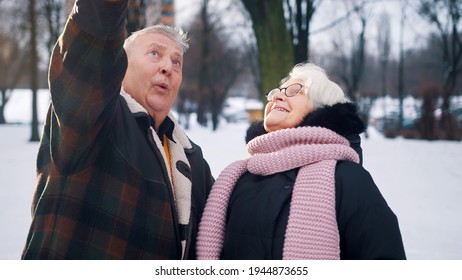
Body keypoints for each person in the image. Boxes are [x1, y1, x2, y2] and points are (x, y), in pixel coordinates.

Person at [22, 0, 214, 260]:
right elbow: (94, 41)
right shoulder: (95, 116)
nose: (168, 67)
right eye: (155, 53)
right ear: (120, 66)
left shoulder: (193, 160)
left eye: (177, 62)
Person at [197, 63, 406, 260]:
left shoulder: (346, 178)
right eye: (276, 92)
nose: (278, 96)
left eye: (294, 90)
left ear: (320, 109)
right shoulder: (238, 176)